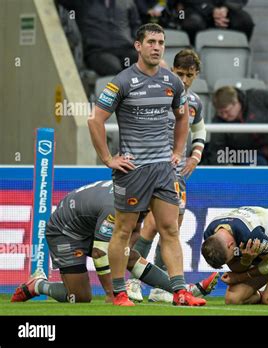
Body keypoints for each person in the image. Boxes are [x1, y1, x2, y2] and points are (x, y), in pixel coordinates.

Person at [87, 23, 204, 307]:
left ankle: (179, 291)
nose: (156, 47)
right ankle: (119, 293)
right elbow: (95, 120)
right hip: (133, 171)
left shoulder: (172, 82)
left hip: (164, 171)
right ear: (138, 46)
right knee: (125, 232)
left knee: (170, 229)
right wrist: (108, 159)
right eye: (151, 42)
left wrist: (178, 150)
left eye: (161, 42)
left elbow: (183, 117)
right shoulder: (122, 81)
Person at [10, 181, 218, 304]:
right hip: (66, 231)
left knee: (129, 255)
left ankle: (181, 290)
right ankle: (38, 285)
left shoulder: (139, 200)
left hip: (88, 222)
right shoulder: (118, 207)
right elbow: (101, 252)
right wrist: (113, 293)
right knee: (80, 298)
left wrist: (128, 256)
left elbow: (129, 240)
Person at [126, 49, 211, 302]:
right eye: (181, 74)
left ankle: (160, 286)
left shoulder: (194, 102)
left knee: (171, 228)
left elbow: (200, 130)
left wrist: (195, 155)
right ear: (172, 71)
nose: (184, 80)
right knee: (149, 226)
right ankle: (132, 281)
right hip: (149, 169)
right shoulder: (157, 94)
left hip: (177, 174)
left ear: (196, 76)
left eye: (190, 76)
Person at [206, 86, 268, 166]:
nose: (224, 116)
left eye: (226, 111)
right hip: (247, 155)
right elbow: (217, 149)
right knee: (259, 172)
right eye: (220, 113)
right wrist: (225, 166)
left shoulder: (256, 96)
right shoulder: (218, 121)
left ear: (236, 102)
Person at [57, 0, 141, 76]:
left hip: (126, 49)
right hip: (99, 51)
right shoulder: (83, 3)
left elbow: (135, 25)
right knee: (114, 69)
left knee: (145, 62)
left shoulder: (127, 2)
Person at [177, 0, 254, 45]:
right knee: (192, 24)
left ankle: (236, 61)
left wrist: (226, 7)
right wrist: (210, 9)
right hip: (196, 7)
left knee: (244, 22)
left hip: (227, 6)